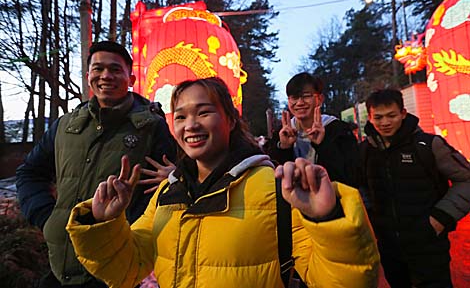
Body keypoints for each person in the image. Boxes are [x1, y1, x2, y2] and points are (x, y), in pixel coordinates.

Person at [65, 77, 379, 288]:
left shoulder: (273, 189)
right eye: (180, 116)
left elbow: (341, 280)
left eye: (203, 113)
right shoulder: (167, 191)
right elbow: (127, 270)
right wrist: (103, 224)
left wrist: (327, 219)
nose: (191, 125)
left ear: (229, 119)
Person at [15, 41, 176, 288]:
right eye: (98, 69)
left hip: (113, 268)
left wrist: (128, 229)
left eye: (115, 69)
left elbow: (163, 191)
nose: (105, 76)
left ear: (130, 78)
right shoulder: (66, 126)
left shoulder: (152, 128)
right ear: (88, 75)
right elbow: (29, 173)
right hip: (59, 264)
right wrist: (46, 216)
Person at [360, 88, 470, 288]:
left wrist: (439, 218)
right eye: (378, 117)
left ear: (403, 113)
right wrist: (371, 216)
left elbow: (466, 180)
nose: (385, 123)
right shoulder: (365, 150)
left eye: (391, 115)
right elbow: (357, 185)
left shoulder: (428, 145)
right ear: (370, 117)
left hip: (429, 247)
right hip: (389, 249)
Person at [265, 72, 359, 187]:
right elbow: (274, 176)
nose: (299, 103)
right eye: (294, 98)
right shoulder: (282, 133)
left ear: (319, 98)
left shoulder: (338, 130)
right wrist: (284, 148)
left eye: (306, 96)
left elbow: (350, 176)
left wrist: (322, 144)